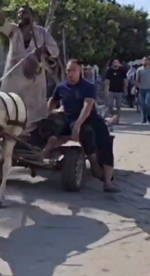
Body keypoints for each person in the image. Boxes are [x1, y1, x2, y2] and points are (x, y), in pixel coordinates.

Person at [0, 0, 59, 130]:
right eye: (19, 14)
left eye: (23, 13)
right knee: (10, 110)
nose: (20, 16)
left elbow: (55, 50)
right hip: (14, 80)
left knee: (33, 116)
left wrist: (42, 51)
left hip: (34, 81)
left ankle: (30, 139)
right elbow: (2, 23)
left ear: (31, 16)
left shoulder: (41, 32)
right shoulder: (14, 31)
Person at [43, 59, 119, 193]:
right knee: (51, 129)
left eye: (73, 70)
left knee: (103, 140)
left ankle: (106, 181)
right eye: (68, 70)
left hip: (90, 118)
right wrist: (47, 113)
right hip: (70, 119)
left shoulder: (88, 86)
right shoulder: (61, 87)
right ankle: (44, 152)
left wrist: (78, 125)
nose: (70, 73)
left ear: (80, 71)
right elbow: (52, 101)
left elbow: (87, 106)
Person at [135, 57, 150, 124]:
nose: (145, 61)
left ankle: (148, 115)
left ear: (148, 61)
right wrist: (136, 88)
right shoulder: (139, 70)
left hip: (149, 89)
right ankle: (144, 117)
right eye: (144, 60)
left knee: (148, 104)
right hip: (141, 89)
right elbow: (137, 80)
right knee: (143, 104)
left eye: (146, 60)